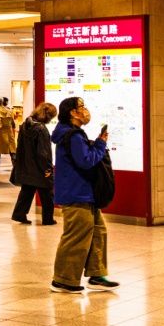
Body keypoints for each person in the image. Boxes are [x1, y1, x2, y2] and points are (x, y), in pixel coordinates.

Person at [50, 96, 120, 294]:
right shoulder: (72, 135)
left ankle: (97, 274)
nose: (85, 110)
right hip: (76, 193)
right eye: (81, 107)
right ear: (72, 112)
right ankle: (62, 280)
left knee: (98, 231)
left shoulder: (73, 134)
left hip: (85, 193)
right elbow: (87, 161)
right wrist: (100, 144)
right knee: (76, 236)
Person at [12, 102, 57, 226]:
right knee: (47, 193)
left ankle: (19, 214)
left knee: (27, 190)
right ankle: (48, 219)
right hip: (39, 168)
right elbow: (43, 153)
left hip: (27, 165)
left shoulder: (26, 124)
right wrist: (48, 169)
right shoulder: (41, 129)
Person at [0, 97, 18, 175]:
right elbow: (13, 124)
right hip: (9, 132)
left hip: (0, 133)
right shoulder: (10, 111)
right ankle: (15, 167)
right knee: (12, 150)